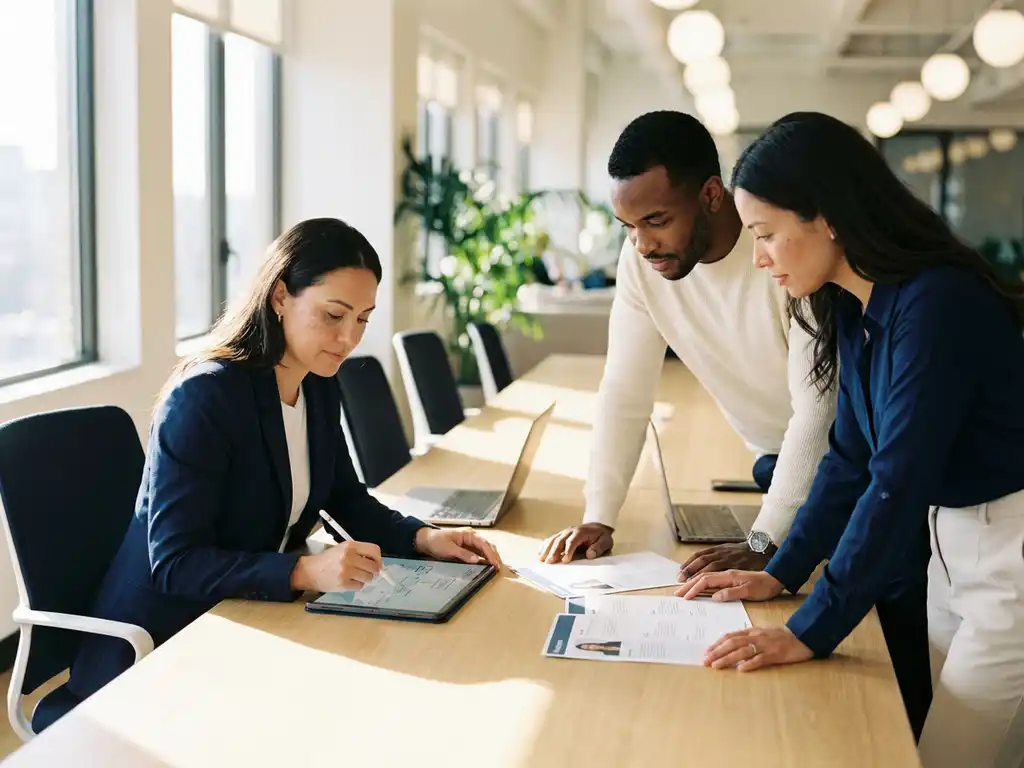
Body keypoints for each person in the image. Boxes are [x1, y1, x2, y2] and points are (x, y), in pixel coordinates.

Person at [678, 112, 1024, 766]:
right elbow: (849, 458)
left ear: (826, 216)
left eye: (767, 235)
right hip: (950, 552)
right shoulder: (861, 305)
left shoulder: (937, 305)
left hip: (1009, 558)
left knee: (949, 756)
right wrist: (780, 572)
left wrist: (811, 630)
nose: (758, 258)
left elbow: (896, 479)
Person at [66, 217, 502, 700]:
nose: (349, 339)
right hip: (160, 646)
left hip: (245, 618)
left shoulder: (317, 384)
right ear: (280, 297)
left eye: (362, 319)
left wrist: (423, 537)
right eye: (333, 315)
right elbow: (175, 563)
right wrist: (302, 572)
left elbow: (344, 497)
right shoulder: (204, 399)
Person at [539, 110, 837, 580]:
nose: (642, 244)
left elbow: (818, 412)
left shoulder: (781, 253)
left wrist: (765, 540)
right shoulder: (643, 264)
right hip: (774, 463)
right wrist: (599, 514)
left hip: (839, 466)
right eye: (628, 226)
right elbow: (624, 391)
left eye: (656, 220)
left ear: (712, 195)